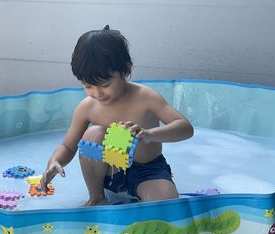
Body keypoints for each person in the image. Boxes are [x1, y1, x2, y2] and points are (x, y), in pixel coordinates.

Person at [41, 25, 194, 206]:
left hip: (147, 169)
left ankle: (145, 191)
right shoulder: (87, 107)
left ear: (126, 71)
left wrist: (150, 134)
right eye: (88, 86)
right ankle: (96, 195)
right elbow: (68, 146)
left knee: (166, 203)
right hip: (108, 172)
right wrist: (54, 161)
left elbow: (185, 127)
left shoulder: (145, 97)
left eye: (105, 84)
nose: (98, 93)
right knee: (93, 134)